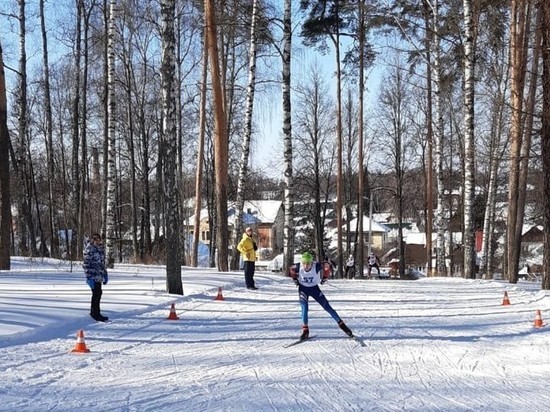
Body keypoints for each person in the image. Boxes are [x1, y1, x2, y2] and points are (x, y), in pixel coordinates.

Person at [288, 251, 353, 340]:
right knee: (304, 308)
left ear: (311, 262)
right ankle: (305, 331)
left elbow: (326, 265)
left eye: (308, 263)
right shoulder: (298, 266)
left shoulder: (316, 266)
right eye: (304, 263)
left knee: (327, 306)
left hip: (314, 289)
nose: (306, 266)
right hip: (303, 289)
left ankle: (343, 326)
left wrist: (325, 277)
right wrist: (294, 278)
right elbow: (291, 269)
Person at [83, 233, 109, 322]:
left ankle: (97, 312)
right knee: (96, 293)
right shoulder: (89, 249)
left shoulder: (101, 249)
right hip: (92, 275)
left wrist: (105, 273)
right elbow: (86, 264)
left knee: (99, 293)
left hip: (99, 275)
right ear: (92, 240)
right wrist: (88, 277)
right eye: (95, 239)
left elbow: (102, 263)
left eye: (99, 239)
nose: (98, 241)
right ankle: (94, 313)